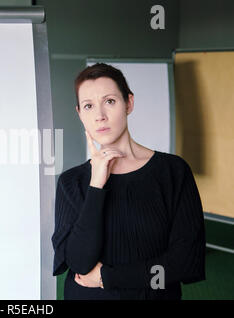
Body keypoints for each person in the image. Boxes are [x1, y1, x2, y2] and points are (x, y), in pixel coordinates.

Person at [51, 63, 206, 300]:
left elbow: (186, 262)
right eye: (89, 106)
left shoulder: (173, 171)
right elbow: (79, 263)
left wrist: (108, 277)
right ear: (80, 114)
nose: (100, 115)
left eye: (110, 101)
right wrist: (96, 187)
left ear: (129, 104)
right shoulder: (72, 182)